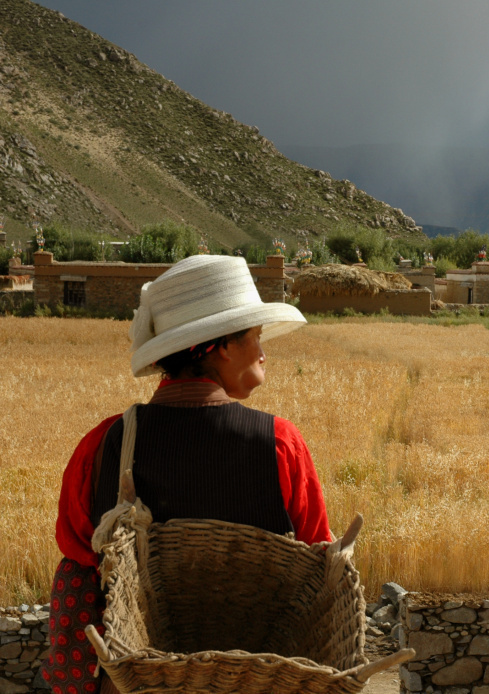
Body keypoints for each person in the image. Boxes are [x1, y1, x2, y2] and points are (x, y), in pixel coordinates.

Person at [41, 254, 332, 694]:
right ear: (221, 346)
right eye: (255, 336)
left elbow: (78, 556)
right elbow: (320, 565)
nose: (264, 351)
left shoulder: (105, 445)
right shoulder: (278, 444)